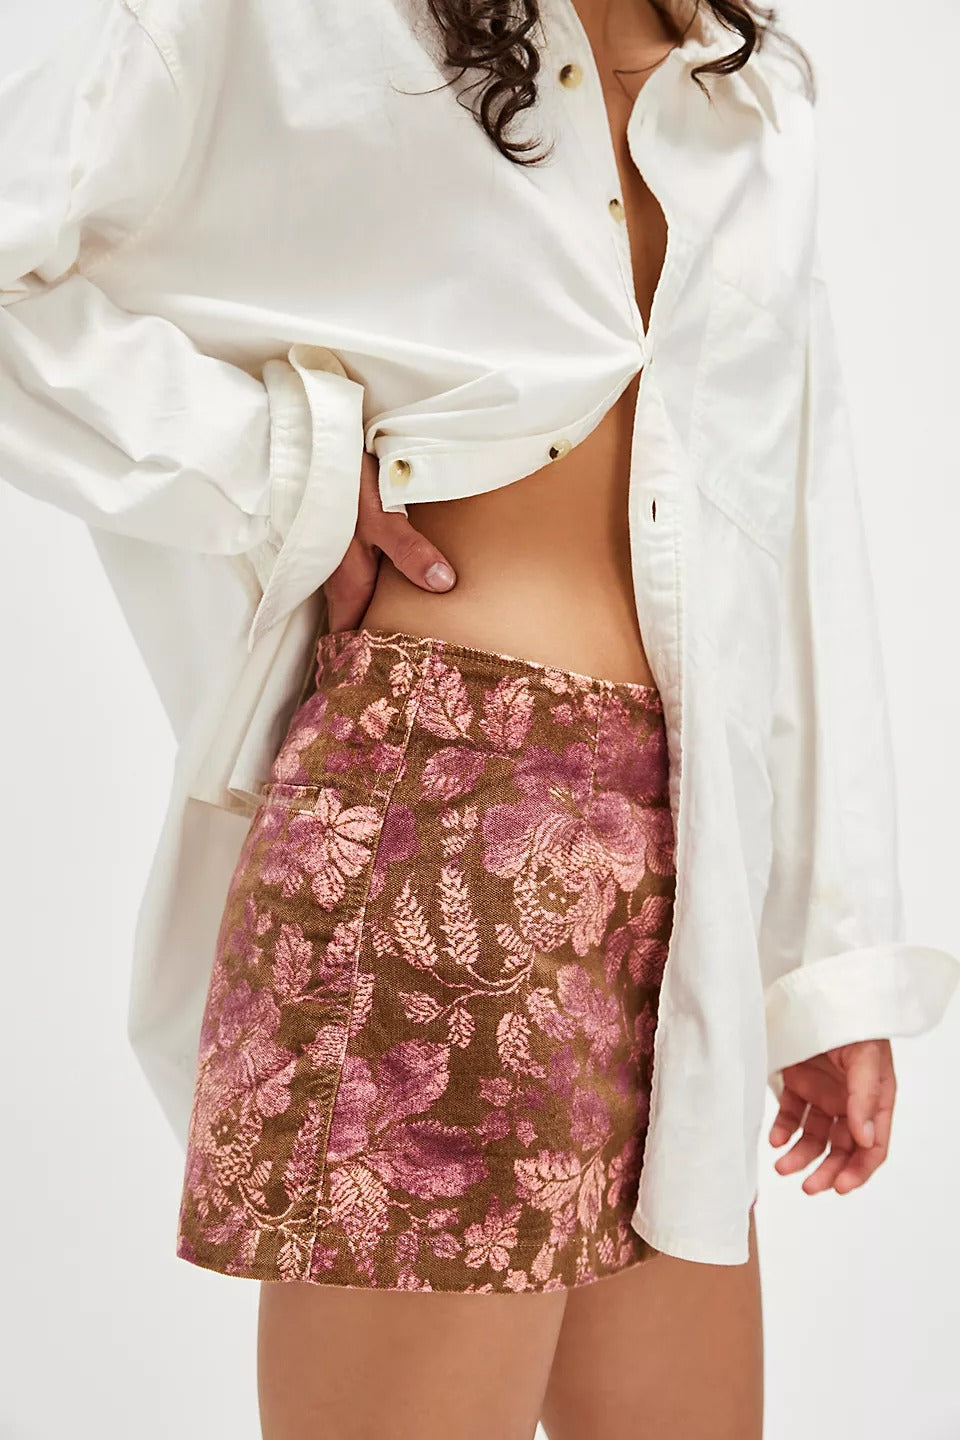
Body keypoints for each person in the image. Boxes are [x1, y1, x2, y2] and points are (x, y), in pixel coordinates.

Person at [2, 0, 957, 1436]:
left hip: (683, 878)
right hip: (438, 828)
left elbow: (794, 514)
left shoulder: (744, 92)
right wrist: (273, 468)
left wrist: (823, 965)